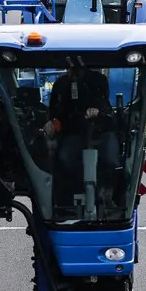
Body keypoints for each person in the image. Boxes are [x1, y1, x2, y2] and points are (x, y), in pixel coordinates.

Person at [43, 68, 125, 212]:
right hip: (74, 132)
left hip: (102, 130)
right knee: (65, 157)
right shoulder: (61, 84)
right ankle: (74, 193)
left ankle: (108, 194)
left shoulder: (97, 80)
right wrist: (50, 122)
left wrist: (97, 111)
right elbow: (54, 110)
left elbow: (104, 103)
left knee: (112, 160)